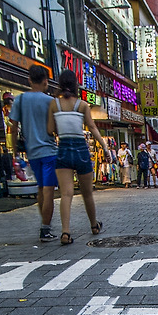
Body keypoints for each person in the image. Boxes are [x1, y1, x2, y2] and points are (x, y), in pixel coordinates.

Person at [48, 68, 111, 245]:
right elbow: (92, 127)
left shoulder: (54, 105)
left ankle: (65, 232)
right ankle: (93, 225)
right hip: (81, 149)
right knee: (87, 193)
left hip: (63, 149)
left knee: (66, 194)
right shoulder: (82, 105)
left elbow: (50, 130)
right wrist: (105, 148)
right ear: (76, 85)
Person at [7, 65, 58, 241]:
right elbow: (54, 129)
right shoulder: (50, 101)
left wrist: (14, 151)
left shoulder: (20, 100)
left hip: (32, 153)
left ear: (29, 80)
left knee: (41, 189)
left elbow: (13, 128)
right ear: (46, 81)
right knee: (49, 190)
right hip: (50, 151)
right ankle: (45, 229)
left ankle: (45, 225)